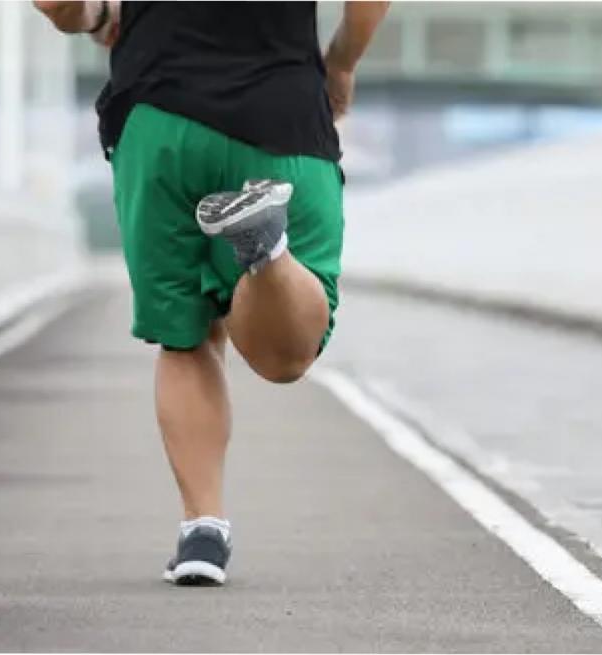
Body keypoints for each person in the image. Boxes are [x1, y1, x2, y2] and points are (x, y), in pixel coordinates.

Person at [33, 0, 389, 586]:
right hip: (284, 120)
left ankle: (202, 530)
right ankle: (266, 251)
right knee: (284, 358)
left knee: (187, 336)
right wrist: (342, 63)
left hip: (158, 121)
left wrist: (100, 18)